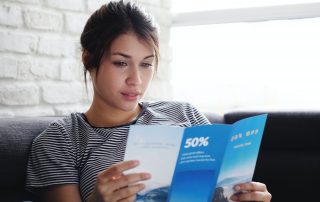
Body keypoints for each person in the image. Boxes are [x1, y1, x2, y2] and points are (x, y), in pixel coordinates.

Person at [25, 1, 272, 202]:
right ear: (88, 59)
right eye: (121, 63)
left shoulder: (185, 113)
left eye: (146, 64)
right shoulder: (61, 140)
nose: (136, 79)